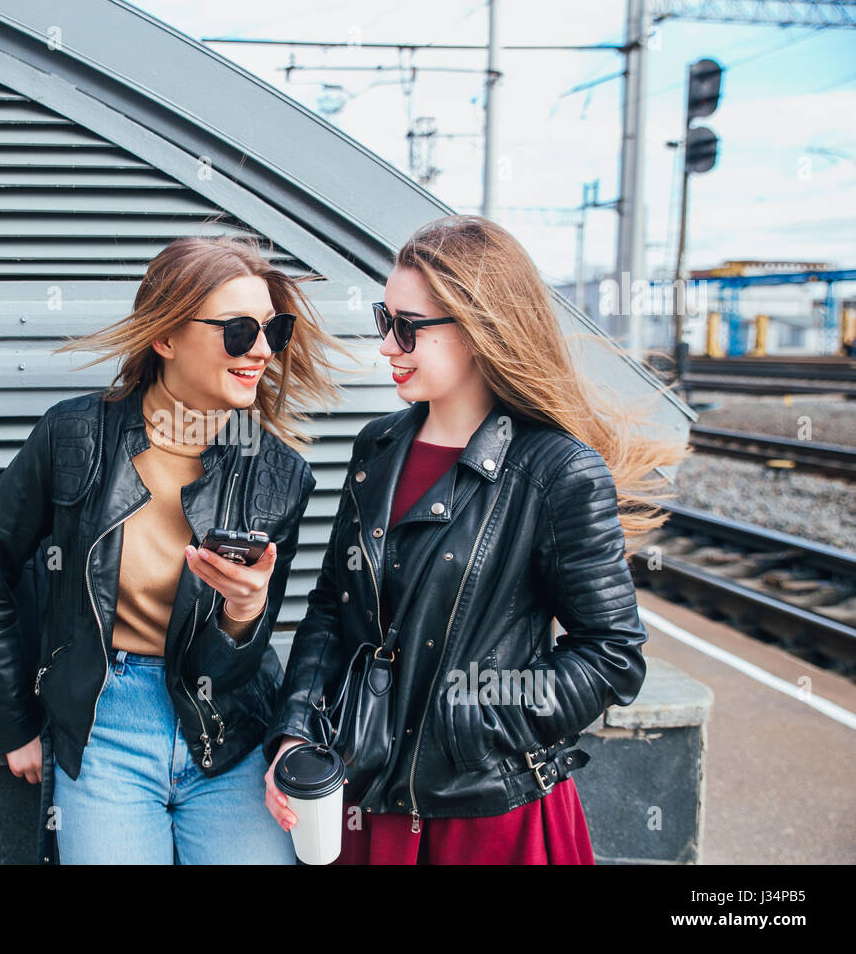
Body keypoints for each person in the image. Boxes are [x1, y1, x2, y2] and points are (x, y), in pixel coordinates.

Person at [262, 214, 691, 864]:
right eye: (385, 320)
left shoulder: (557, 471)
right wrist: (296, 734)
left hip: (486, 818)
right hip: (364, 796)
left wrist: (468, 723)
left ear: (478, 330)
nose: (387, 346)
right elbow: (330, 608)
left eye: (407, 328)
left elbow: (611, 655)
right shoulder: (377, 446)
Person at [0, 234, 352, 864]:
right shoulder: (75, 436)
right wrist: (11, 722)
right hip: (105, 721)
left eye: (274, 332)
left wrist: (245, 615)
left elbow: (236, 663)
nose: (260, 353)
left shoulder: (279, 476)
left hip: (227, 727)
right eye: (239, 329)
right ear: (165, 338)